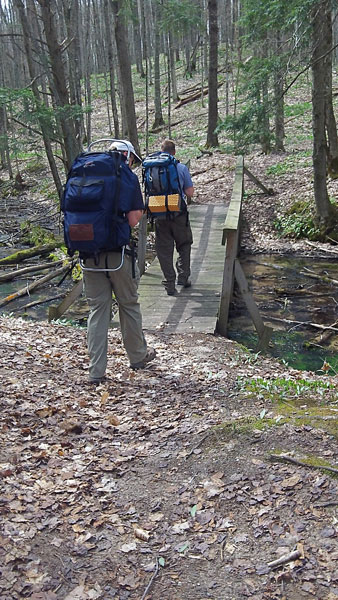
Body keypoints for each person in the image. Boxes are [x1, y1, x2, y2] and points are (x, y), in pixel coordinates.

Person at [83, 140, 156, 384]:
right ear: (127, 156)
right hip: (118, 254)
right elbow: (134, 219)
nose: (133, 163)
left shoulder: (86, 170)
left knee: (97, 310)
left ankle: (96, 371)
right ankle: (137, 356)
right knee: (128, 304)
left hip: (88, 253)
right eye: (133, 159)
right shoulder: (126, 177)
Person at [154, 139, 194, 296]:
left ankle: (169, 284)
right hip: (178, 212)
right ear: (174, 152)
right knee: (184, 244)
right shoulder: (181, 167)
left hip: (159, 213)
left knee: (164, 250)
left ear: (161, 150)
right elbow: (189, 192)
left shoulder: (153, 168)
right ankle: (183, 277)